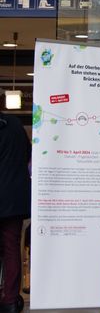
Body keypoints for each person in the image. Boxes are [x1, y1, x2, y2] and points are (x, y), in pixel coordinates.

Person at [0, 105, 31, 313]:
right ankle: (10, 300)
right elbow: (28, 153)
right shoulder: (15, 124)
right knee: (11, 249)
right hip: (13, 199)